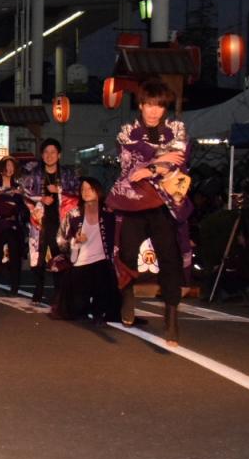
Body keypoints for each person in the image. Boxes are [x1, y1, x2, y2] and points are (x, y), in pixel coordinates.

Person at [106, 78, 192, 346]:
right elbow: (130, 167)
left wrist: (152, 167)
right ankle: (127, 294)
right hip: (133, 201)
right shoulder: (127, 131)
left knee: (169, 258)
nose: (154, 111)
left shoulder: (176, 129)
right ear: (141, 105)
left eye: (160, 106)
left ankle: (172, 316)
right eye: (149, 105)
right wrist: (162, 158)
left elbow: (179, 161)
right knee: (127, 252)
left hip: (163, 204)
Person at [53, 177, 120, 323]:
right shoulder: (73, 214)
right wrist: (75, 241)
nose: (86, 192)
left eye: (90, 189)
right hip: (80, 262)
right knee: (77, 308)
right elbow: (60, 238)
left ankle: (99, 312)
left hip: (102, 262)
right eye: (83, 189)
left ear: (98, 191)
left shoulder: (109, 213)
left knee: (103, 295)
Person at [20, 138, 78, 304]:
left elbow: (77, 193)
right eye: (46, 152)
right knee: (37, 256)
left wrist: (59, 190)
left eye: (53, 152)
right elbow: (24, 193)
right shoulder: (34, 173)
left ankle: (58, 292)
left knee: (59, 256)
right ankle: (38, 289)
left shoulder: (67, 174)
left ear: (59, 155)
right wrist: (41, 199)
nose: (49, 155)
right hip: (40, 221)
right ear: (42, 154)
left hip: (61, 222)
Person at [0, 156, 25, 294]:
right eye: (7, 165)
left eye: (12, 166)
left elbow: (22, 204)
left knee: (14, 255)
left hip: (13, 224)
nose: (9, 168)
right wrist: (9, 194)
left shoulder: (19, 185)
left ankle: (14, 287)